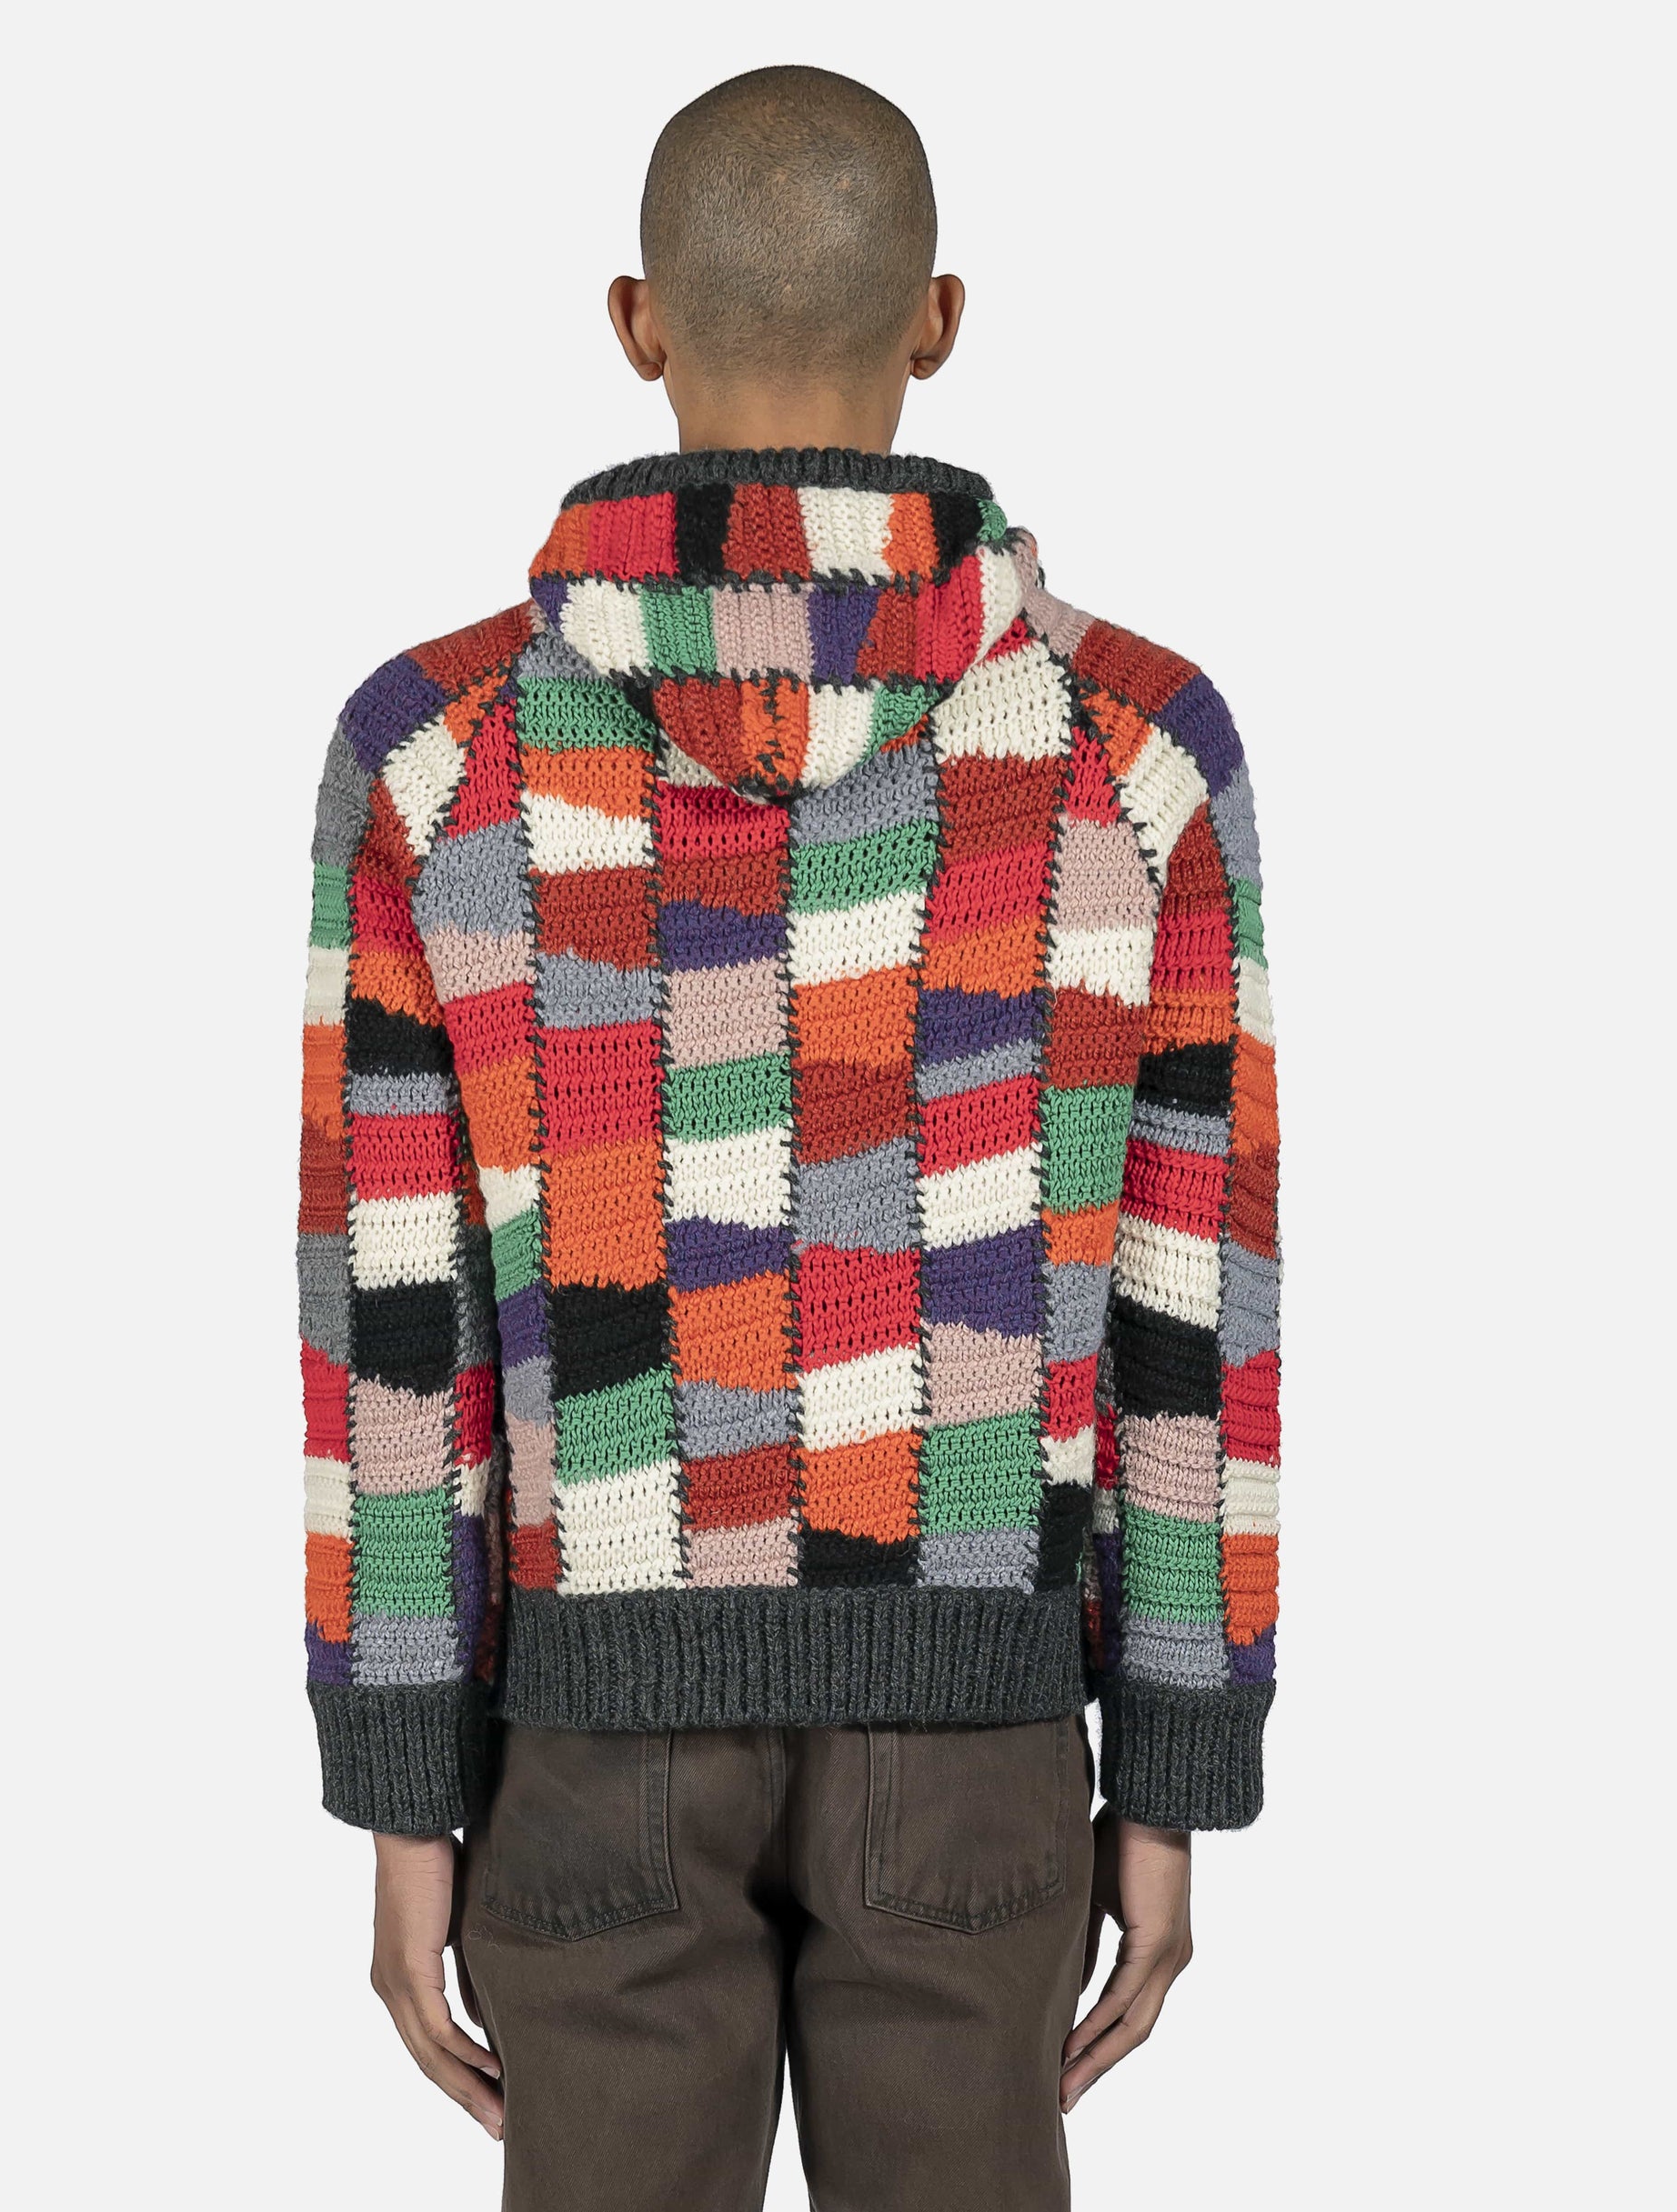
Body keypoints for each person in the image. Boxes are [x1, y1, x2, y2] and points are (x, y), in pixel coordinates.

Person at [296, 62, 1280, 2212]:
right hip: (983, 1734)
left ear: (636, 322)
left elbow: (392, 1331)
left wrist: (399, 1780)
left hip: (585, 1744)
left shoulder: (437, 757)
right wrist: (1173, 1765)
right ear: (936, 320)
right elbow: (1190, 1316)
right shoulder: (1133, 752)